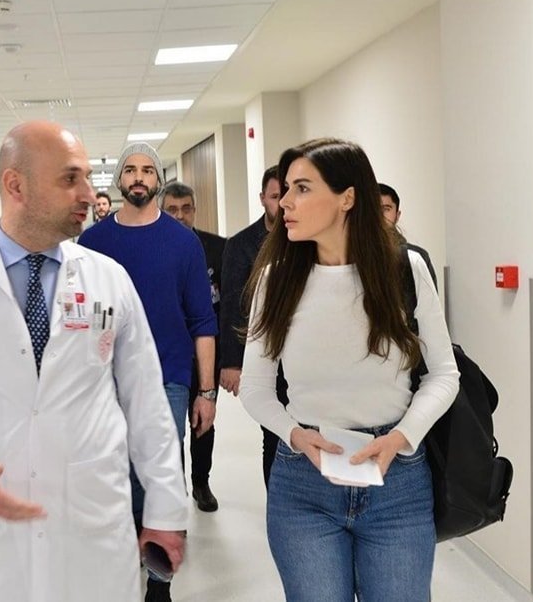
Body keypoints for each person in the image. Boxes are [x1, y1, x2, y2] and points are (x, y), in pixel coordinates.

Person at [0, 121, 189, 602]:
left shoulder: (109, 279)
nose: (89, 193)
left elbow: (147, 403)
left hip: (94, 520)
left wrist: (165, 509)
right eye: (70, 179)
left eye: (87, 178)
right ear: (15, 185)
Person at [238, 138, 459, 602]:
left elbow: (444, 373)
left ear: (347, 197)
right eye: (285, 189)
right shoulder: (276, 280)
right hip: (304, 483)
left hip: (397, 480)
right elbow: (256, 388)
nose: (285, 202)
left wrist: (402, 437)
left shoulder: (405, 270)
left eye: (302, 188)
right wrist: (295, 435)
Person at [80, 143, 217, 602]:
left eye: (147, 170)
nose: (138, 177)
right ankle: (122, 563)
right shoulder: (92, 243)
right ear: (119, 180)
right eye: (130, 170)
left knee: (161, 474)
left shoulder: (184, 243)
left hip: (168, 377)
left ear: (158, 180)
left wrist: (207, 393)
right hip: (104, 380)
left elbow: (202, 322)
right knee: (112, 475)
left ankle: (159, 584)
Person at [219, 166, 290, 487]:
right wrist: (232, 362)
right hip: (265, 354)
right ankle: (276, 502)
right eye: (275, 196)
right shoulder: (241, 245)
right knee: (274, 434)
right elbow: (233, 304)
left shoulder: (308, 238)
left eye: (287, 195)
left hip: (305, 356)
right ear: (263, 199)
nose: (283, 203)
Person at [159, 181, 225, 512]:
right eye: (172, 210)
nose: (180, 216)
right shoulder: (157, 248)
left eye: (186, 209)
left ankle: (201, 482)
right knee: (170, 429)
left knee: (202, 422)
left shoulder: (217, 248)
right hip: (171, 352)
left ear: (195, 210)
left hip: (205, 350)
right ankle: (176, 491)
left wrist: (228, 361)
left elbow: (226, 306)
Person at [379, 183, 438, 288]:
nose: (379, 215)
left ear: (397, 215)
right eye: (373, 209)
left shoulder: (415, 258)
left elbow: (429, 298)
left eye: (386, 209)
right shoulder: (351, 256)